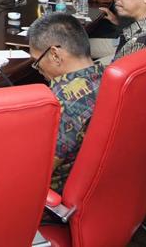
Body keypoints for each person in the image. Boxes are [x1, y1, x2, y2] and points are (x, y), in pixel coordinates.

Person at [28, 13, 104, 192]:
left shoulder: (60, 104)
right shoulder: (109, 78)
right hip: (105, 186)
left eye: (37, 62)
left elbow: (34, 172)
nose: (38, 70)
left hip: (58, 195)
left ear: (55, 55)